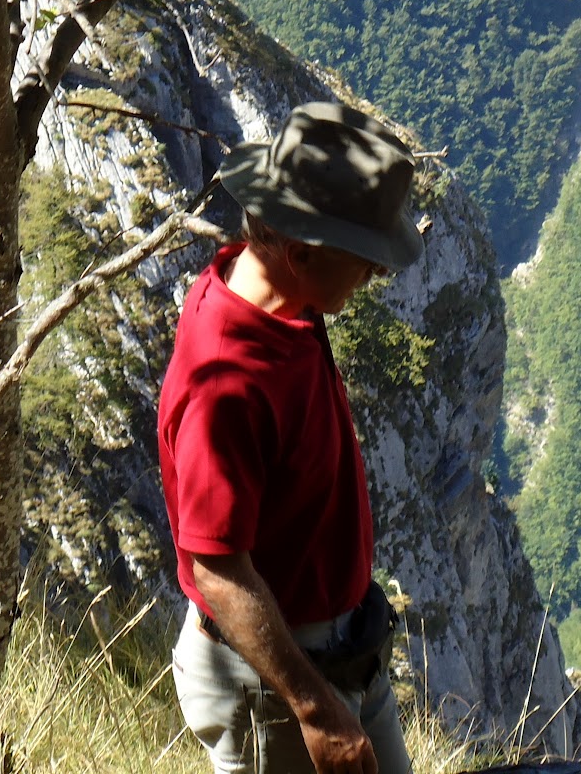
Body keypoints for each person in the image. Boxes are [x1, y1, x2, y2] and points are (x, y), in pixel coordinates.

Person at [158, 101, 426, 774]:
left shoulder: (288, 302)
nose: (379, 274)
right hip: (275, 683)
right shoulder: (226, 381)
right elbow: (216, 569)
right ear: (302, 252)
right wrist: (313, 708)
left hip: (347, 651)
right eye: (366, 259)